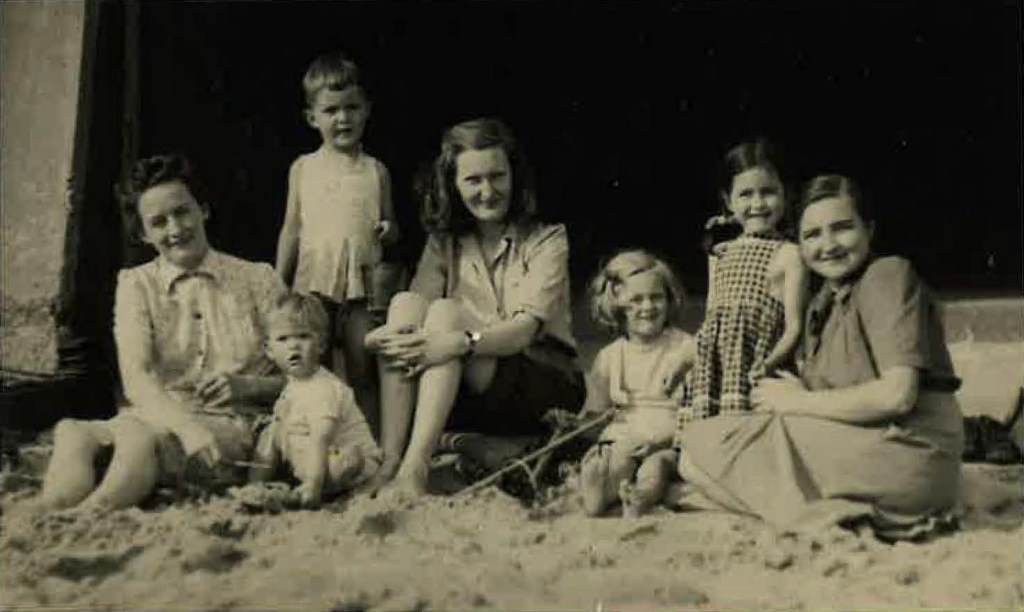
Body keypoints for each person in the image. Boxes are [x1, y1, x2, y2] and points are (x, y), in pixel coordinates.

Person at [675, 174, 964, 540]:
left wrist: (798, 401)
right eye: (812, 235)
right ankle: (819, 508)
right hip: (872, 438)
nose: (828, 245)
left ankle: (814, 513)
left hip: (910, 447)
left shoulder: (887, 275)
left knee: (700, 454)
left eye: (842, 228)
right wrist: (797, 392)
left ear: (869, 229)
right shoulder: (825, 302)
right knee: (702, 447)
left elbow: (897, 395)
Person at [39, 154, 286, 510]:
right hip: (164, 417)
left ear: (203, 209)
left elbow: (301, 374)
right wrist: (186, 427)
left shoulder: (257, 279)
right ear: (142, 233)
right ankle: (46, 517)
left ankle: (91, 515)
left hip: (227, 426)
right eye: (158, 222)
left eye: (182, 211)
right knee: (74, 433)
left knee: (139, 438)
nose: (175, 229)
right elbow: (136, 377)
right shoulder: (136, 284)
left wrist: (246, 386)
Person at [364, 118, 585, 495]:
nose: (487, 191)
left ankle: (415, 468)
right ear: (453, 183)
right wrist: (377, 338)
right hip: (465, 384)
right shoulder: (445, 242)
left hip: (542, 382)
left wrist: (459, 342)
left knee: (447, 314)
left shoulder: (547, 240)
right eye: (473, 180)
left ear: (514, 176)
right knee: (405, 303)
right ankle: (390, 461)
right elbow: (416, 316)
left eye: (497, 176)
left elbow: (522, 332)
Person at [275, 51, 399, 432]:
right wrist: (279, 283)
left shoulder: (376, 171)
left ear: (367, 110)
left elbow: (392, 226)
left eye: (352, 107)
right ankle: (314, 439)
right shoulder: (303, 168)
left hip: (362, 288)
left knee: (364, 368)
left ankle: (370, 443)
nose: (343, 118)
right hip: (314, 285)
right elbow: (291, 228)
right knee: (314, 367)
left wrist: (388, 230)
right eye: (331, 110)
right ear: (312, 117)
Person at [676, 139, 808, 428]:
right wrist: (682, 365)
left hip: (758, 364)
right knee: (705, 441)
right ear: (728, 200)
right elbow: (711, 318)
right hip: (715, 368)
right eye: (746, 194)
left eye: (769, 192)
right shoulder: (720, 253)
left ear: (786, 195)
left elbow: (794, 327)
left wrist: (769, 364)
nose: (758, 204)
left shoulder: (789, 254)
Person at [578, 250, 696, 517]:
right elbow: (596, 411)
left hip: (668, 441)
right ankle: (599, 490)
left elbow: (696, 410)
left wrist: (667, 440)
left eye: (656, 297)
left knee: (655, 469)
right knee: (615, 461)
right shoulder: (609, 356)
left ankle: (639, 499)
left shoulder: (685, 348)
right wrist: (576, 424)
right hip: (624, 438)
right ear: (617, 305)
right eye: (636, 300)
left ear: (670, 299)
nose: (647, 307)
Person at [251, 293, 381, 506]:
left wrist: (313, 484)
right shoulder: (292, 388)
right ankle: (254, 487)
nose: (293, 346)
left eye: (303, 337)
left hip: (342, 457)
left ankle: (324, 489)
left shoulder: (324, 388)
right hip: (311, 459)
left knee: (345, 461)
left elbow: (321, 438)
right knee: (269, 430)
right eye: (283, 339)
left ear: (321, 345)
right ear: (270, 350)